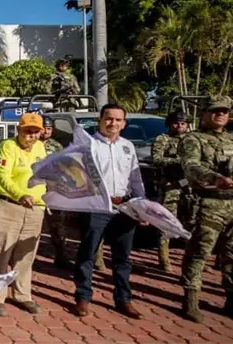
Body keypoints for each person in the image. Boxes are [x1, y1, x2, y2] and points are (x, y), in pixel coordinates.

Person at [74, 104, 146, 319]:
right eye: (108, 118)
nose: (112, 123)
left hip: (124, 207)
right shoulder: (87, 145)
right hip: (96, 207)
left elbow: (135, 178)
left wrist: (141, 205)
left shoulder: (128, 146)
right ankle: (83, 297)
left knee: (122, 257)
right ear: (100, 120)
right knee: (88, 253)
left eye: (118, 120)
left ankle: (123, 299)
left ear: (124, 123)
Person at [179, 96, 233, 323]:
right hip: (209, 203)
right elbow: (191, 167)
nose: (220, 114)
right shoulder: (193, 139)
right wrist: (215, 178)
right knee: (199, 252)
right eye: (215, 110)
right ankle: (191, 299)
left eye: (224, 111)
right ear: (204, 113)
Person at [0, 112, 48, 316]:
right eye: (27, 131)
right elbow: (2, 177)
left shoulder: (40, 147)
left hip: (35, 208)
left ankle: (22, 295)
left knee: (26, 255)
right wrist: (20, 195)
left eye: (36, 132)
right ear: (18, 130)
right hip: (7, 205)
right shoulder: (7, 147)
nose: (32, 136)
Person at [151, 110, 190, 272]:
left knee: (192, 223)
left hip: (190, 187)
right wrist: (179, 161)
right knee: (166, 223)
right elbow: (157, 159)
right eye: (176, 123)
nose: (179, 126)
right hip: (170, 186)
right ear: (169, 124)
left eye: (183, 123)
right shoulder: (163, 139)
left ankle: (191, 260)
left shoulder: (192, 139)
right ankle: (164, 260)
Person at [40, 115, 72, 269]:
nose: (46, 131)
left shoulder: (56, 146)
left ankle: (61, 255)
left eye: (49, 128)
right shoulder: (29, 144)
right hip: (33, 189)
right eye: (44, 128)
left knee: (57, 224)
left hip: (53, 189)